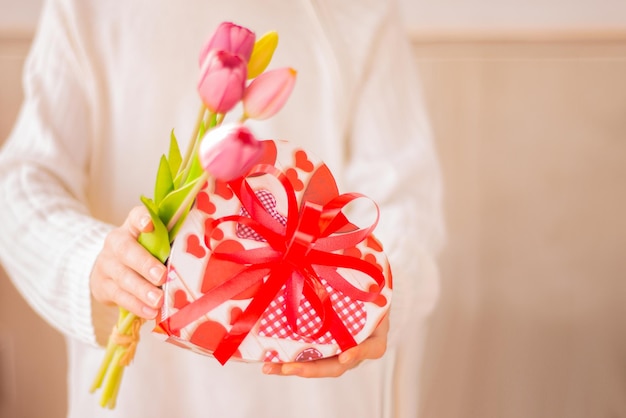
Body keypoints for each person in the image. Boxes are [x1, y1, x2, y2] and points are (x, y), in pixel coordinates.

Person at [0, 0, 444, 417]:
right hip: (145, 395)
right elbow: (22, 184)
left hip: (316, 387)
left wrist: (381, 296)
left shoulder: (356, 11)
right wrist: (92, 261)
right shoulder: (86, 9)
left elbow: (409, 203)